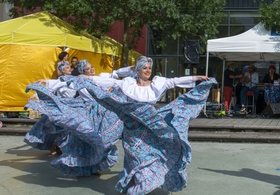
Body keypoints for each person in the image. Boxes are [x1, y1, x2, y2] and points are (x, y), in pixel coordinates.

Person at [62, 56, 212, 194]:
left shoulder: (158, 83)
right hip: (131, 129)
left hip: (150, 128)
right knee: (133, 158)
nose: (148, 71)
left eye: (149, 68)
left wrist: (197, 78)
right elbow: (109, 82)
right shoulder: (127, 84)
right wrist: (86, 79)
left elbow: (175, 81)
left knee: (149, 157)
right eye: (144, 68)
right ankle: (134, 184)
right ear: (138, 70)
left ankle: (141, 185)